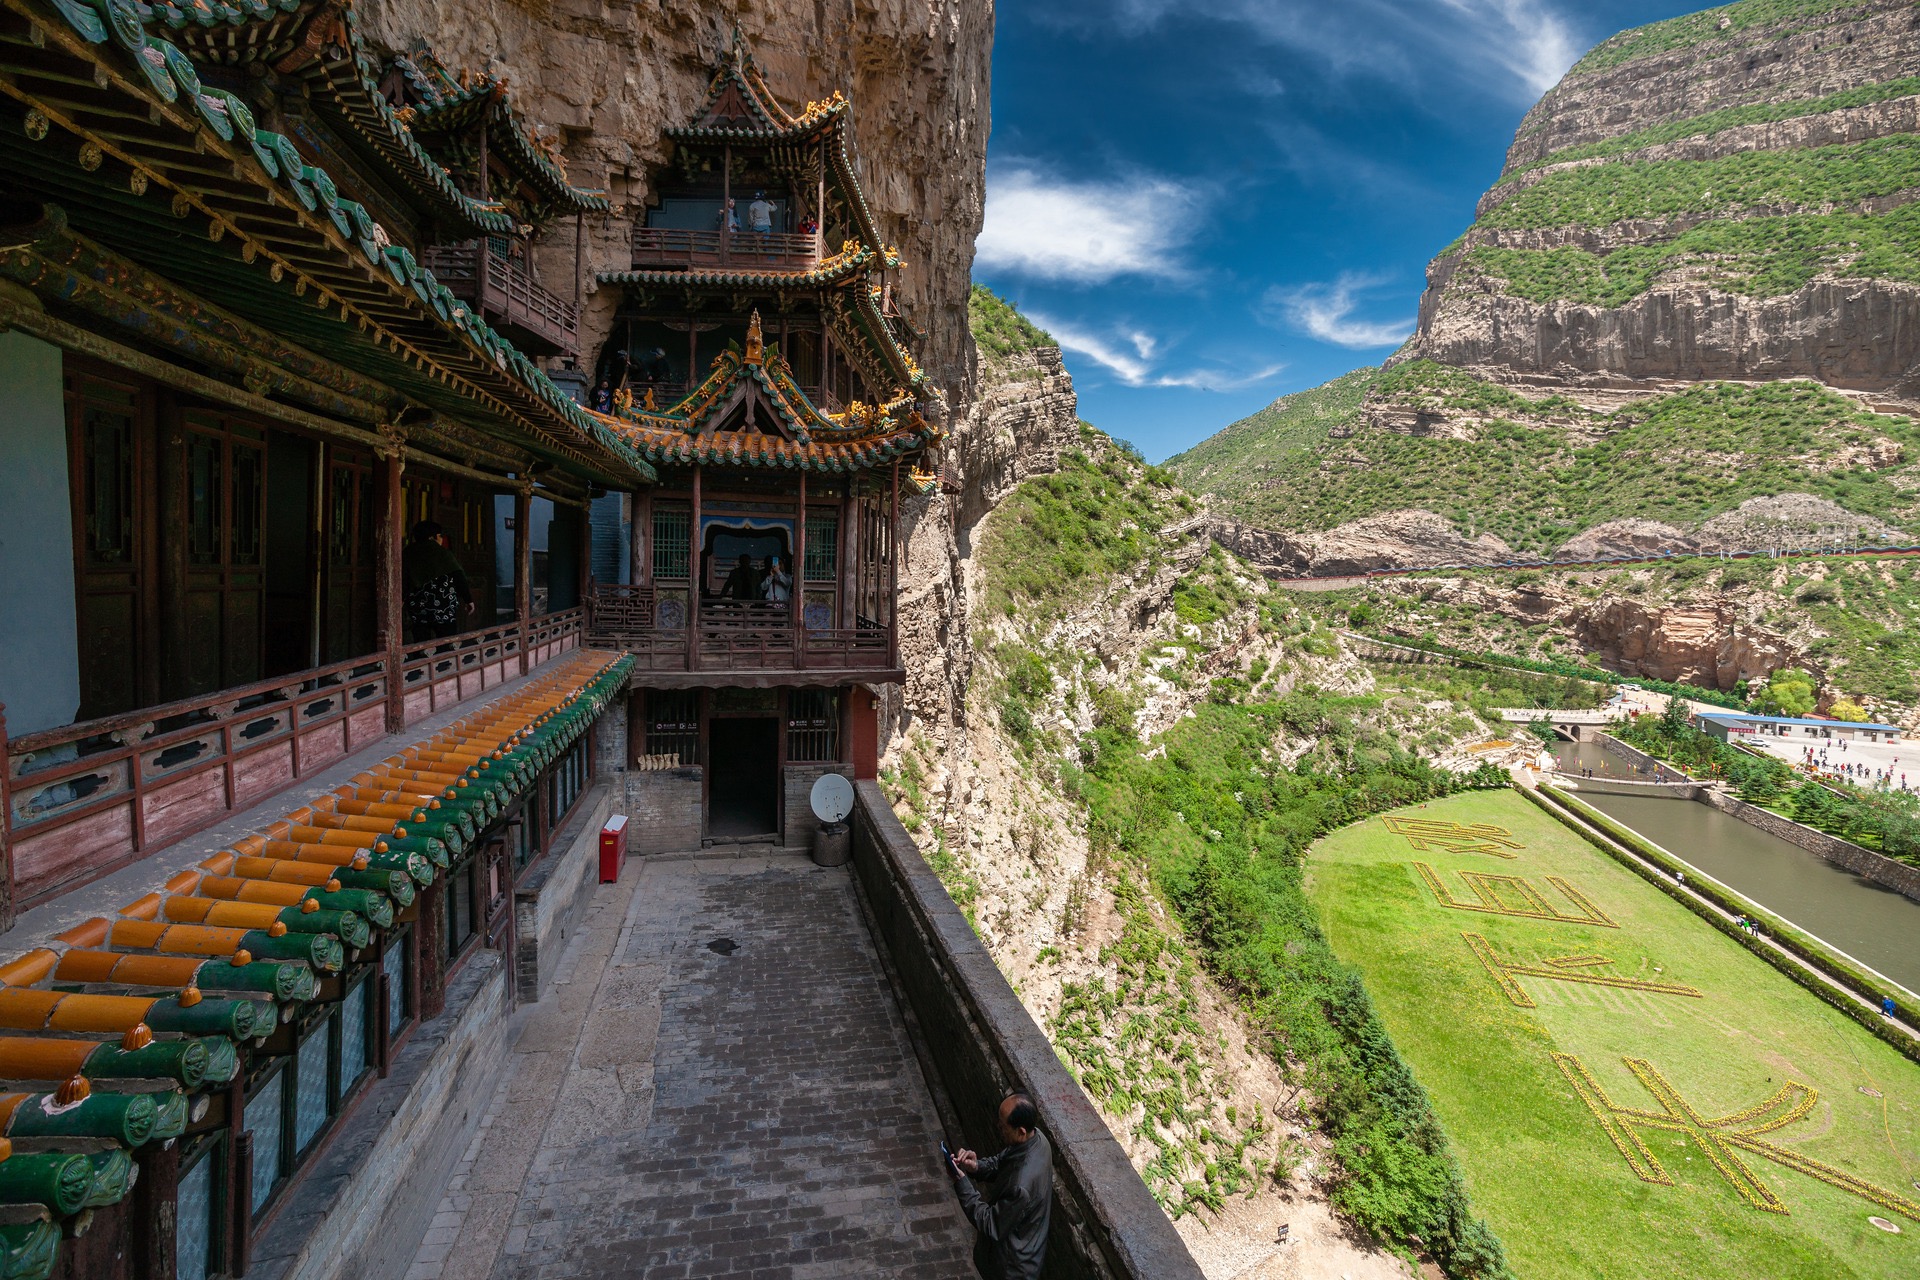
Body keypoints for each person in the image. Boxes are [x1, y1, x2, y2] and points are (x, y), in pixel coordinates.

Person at [949, 1093, 1052, 1280]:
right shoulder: (1036, 1139)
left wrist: (962, 1183)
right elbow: (1002, 1162)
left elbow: (990, 1223)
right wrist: (977, 1166)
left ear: (1020, 1131)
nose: (999, 1128)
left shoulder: (1022, 1187)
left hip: (1012, 1268)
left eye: (1003, 1127)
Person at [401, 521, 473, 641]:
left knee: (421, 641)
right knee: (446, 641)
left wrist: (401, 599)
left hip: (417, 607)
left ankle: (422, 659)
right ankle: (445, 659)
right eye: (440, 536)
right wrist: (468, 600)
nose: (441, 539)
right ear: (432, 537)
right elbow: (458, 576)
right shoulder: (443, 553)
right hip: (443, 607)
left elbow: (403, 578)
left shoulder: (408, 552)